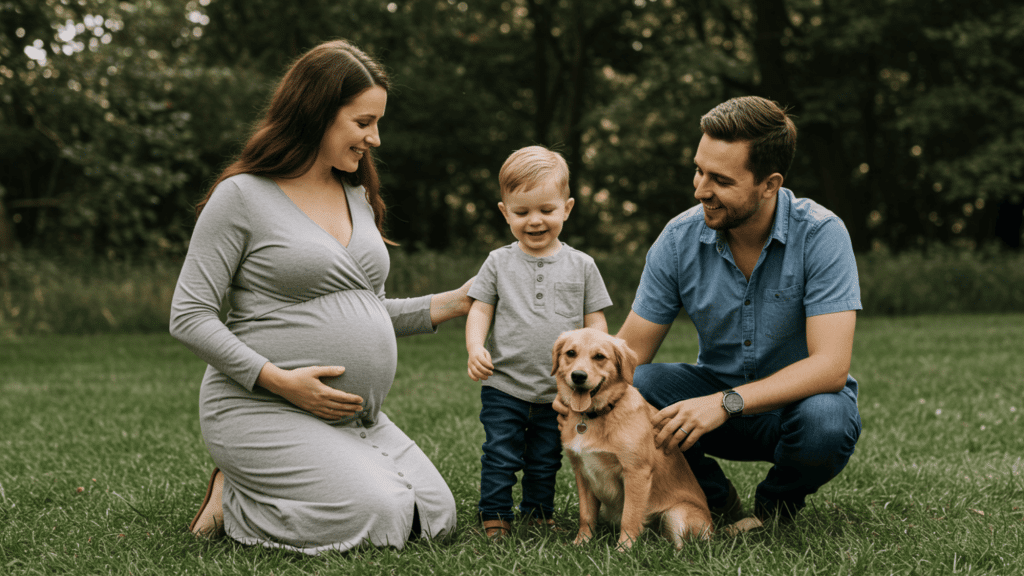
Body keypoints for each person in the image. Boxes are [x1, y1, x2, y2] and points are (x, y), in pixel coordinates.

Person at [169, 39, 474, 554]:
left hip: (352, 414)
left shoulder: (356, 194)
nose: (375, 138)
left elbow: (366, 308)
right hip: (261, 405)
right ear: (316, 114)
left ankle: (311, 473)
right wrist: (280, 381)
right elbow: (189, 314)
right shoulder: (242, 196)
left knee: (434, 517)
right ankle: (236, 495)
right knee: (380, 515)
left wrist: (458, 301)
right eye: (363, 123)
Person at [557, 96, 862, 531]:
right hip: (711, 398)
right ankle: (715, 501)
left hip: (795, 406)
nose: (700, 189)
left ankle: (776, 506)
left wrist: (726, 403)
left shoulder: (821, 234)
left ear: (769, 184)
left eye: (720, 179)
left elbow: (830, 368)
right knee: (640, 383)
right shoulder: (679, 238)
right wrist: (579, 393)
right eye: (699, 170)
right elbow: (627, 357)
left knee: (827, 422)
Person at [465, 146, 612, 538]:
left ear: (567, 208)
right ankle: (495, 514)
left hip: (559, 390)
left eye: (546, 210)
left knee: (546, 457)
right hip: (505, 384)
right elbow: (480, 309)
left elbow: (595, 321)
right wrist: (476, 347)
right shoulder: (498, 261)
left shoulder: (582, 265)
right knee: (500, 453)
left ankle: (537, 513)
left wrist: (599, 362)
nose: (534, 221)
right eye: (522, 212)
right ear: (504, 212)